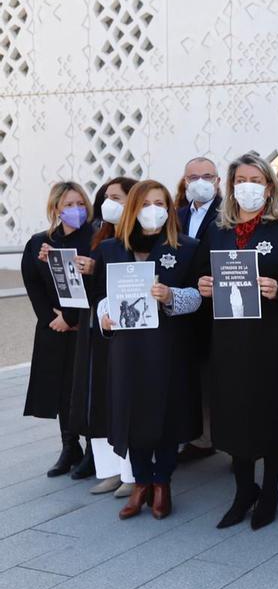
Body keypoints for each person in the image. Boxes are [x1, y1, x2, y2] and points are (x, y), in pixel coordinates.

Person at [196, 153, 278, 530]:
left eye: (255, 179)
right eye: (240, 179)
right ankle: (243, 490)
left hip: (275, 339)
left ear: (269, 187)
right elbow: (202, 273)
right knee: (235, 414)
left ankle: (270, 490)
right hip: (230, 340)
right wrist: (202, 285)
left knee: (270, 413)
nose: (247, 186)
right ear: (231, 186)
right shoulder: (218, 231)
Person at [93, 180, 202, 520]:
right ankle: (140, 482)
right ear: (132, 209)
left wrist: (171, 297)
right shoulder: (110, 249)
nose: (152, 210)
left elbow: (198, 297)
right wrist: (105, 318)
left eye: (160, 203)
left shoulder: (186, 247)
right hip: (126, 349)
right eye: (145, 203)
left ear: (169, 209)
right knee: (132, 414)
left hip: (166, 347)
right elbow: (99, 299)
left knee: (164, 414)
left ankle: (163, 482)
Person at [66, 177, 138, 493]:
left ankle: (131, 473)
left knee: (125, 397)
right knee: (99, 397)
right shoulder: (102, 237)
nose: (109, 203)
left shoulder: (140, 238)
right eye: (106, 197)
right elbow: (96, 289)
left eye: (117, 197)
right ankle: (108, 467)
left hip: (131, 329)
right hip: (101, 325)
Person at [22, 182, 95, 477]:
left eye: (80, 203)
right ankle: (69, 445)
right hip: (54, 328)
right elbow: (32, 282)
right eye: (68, 205)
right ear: (55, 208)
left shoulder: (96, 239)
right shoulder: (41, 242)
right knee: (60, 387)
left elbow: (93, 283)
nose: (75, 210)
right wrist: (51, 318)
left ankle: (92, 449)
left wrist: (72, 317)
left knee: (84, 388)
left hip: (85, 327)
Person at [177, 157, 222, 464]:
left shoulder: (227, 215)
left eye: (207, 176)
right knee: (190, 375)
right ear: (185, 182)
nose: (200, 182)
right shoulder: (175, 215)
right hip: (181, 307)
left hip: (214, 308)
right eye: (193, 177)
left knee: (217, 377)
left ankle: (226, 440)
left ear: (218, 181)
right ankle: (199, 437)